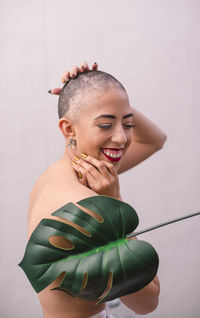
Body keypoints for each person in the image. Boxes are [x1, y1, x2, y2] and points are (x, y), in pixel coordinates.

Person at [27, 62, 166, 318]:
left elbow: (155, 140)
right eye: (105, 124)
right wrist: (113, 201)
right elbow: (148, 303)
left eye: (127, 123)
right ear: (68, 129)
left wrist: (96, 91)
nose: (122, 137)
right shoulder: (85, 205)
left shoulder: (61, 175)